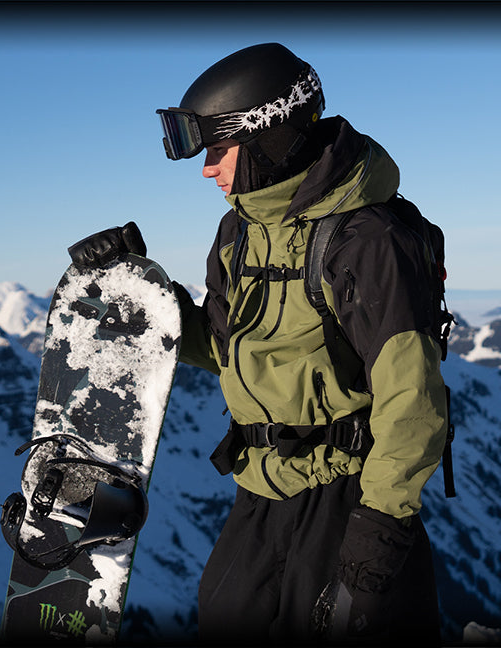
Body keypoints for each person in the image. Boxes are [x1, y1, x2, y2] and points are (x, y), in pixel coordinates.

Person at [69, 43, 447, 644]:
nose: (207, 168)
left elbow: (412, 399)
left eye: (218, 148)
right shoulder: (239, 232)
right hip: (260, 489)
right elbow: (225, 348)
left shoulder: (367, 240)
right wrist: (140, 290)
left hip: (344, 491)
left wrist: (379, 529)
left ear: (269, 138)